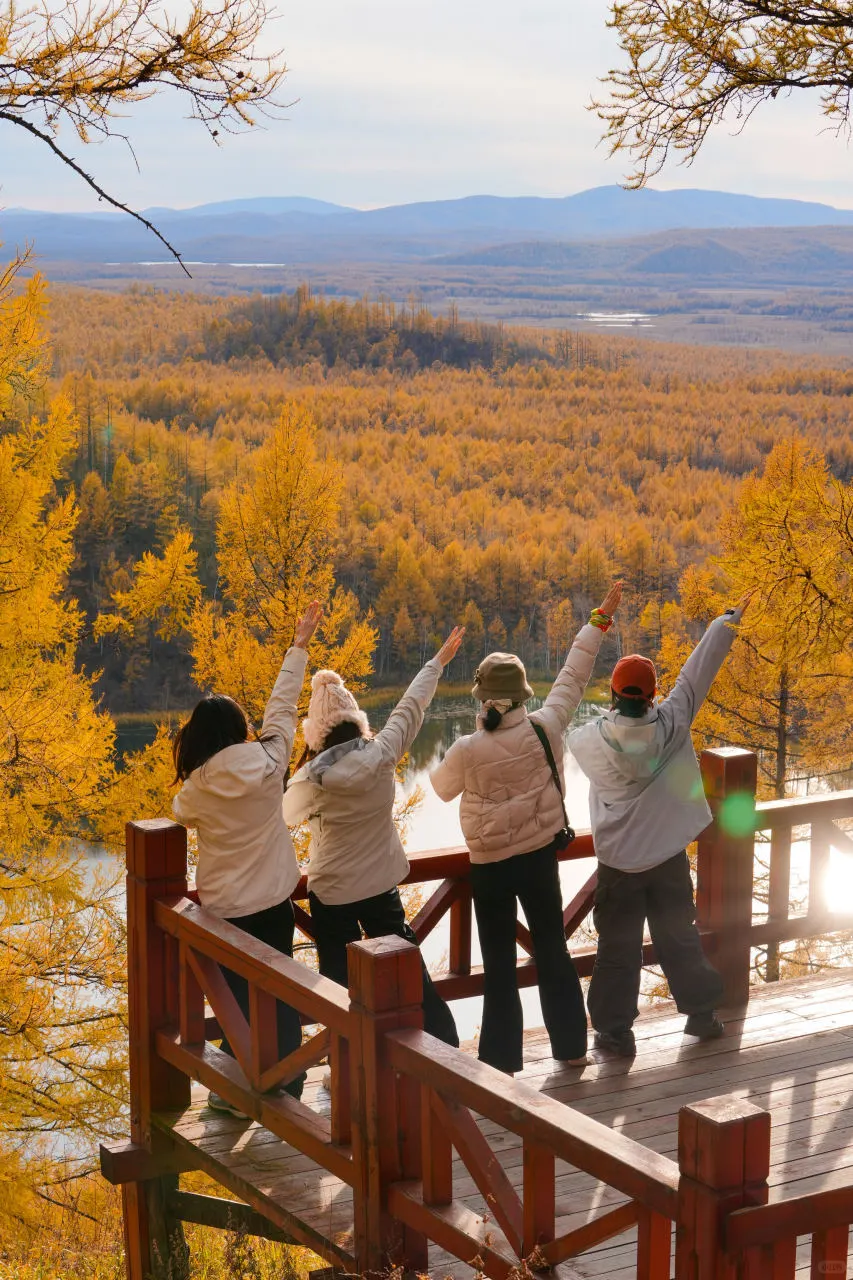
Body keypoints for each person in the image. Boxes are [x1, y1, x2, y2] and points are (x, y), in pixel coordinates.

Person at [429, 583, 623, 1076]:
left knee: (497, 967)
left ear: (483, 698)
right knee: (552, 950)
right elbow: (573, 675)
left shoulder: (468, 749)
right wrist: (598, 619)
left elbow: (440, 788)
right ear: (520, 696)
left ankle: (500, 1064)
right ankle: (571, 1049)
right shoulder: (546, 726)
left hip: (490, 870)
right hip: (539, 859)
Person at [568, 598, 750, 1058]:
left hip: (618, 866)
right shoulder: (672, 723)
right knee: (679, 937)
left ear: (612, 694)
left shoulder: (589, 741)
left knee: (617, 950)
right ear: (652, 694)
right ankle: (701, 1016)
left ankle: (614, 1032)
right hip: (666, 859)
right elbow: (697, 673)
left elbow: (560, 708)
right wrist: (725, 621)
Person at [172, 601, 324, 1116]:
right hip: (274, 898)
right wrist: (298, 648)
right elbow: (281, 712)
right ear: (239, 728)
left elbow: (178, 810)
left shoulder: (197, 787)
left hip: (225, 909)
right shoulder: (268, 760)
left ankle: (241, 1094)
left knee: (235, 1001)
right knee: (279, 988)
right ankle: (287, 1083)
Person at [282, 627, 465, 1047]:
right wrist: (436, 663)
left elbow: (287, 815)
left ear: (317, 733)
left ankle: (347, 1064)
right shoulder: (383, 753)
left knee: (339, 985)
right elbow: (410, 707)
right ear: (355, 720)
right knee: (408, 972)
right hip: (381, 885)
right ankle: (446, 1051)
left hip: (333, 893)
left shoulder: (312, 779)